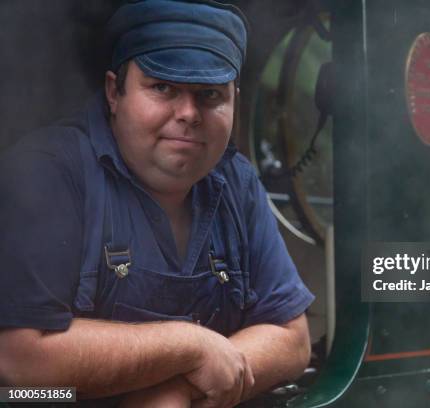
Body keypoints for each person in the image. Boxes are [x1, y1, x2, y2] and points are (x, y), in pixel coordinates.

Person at [0, 0, 315, 406]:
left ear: (235, 99)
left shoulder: (236, 181)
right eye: (163, 87)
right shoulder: (48, 171)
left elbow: (293, 337)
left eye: (209, 95)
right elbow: (19, 359)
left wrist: (179, 391)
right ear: (115, 91)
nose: (188, 113)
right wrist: (189, 346)